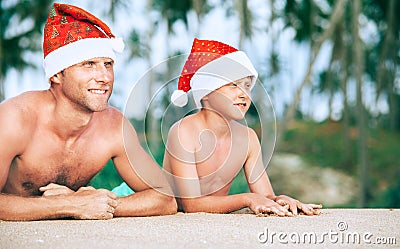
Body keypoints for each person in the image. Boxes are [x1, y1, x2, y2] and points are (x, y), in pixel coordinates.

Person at [0, 3, 176, 221]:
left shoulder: (112, 126)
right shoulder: (14, 119)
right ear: (56, 74)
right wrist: (69, 205)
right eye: (88, 64)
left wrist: (98, 204)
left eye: (108, 64)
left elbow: (165, 198)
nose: (104, 77)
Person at [164, 38, 322, 216]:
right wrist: (248, 198)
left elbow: (265, 195)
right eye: (233, 85)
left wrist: (281, 200)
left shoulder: (248, 138)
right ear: (205, 94)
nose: (244, 94)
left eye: (247, 86)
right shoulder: (183, 132)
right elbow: (192, 205)